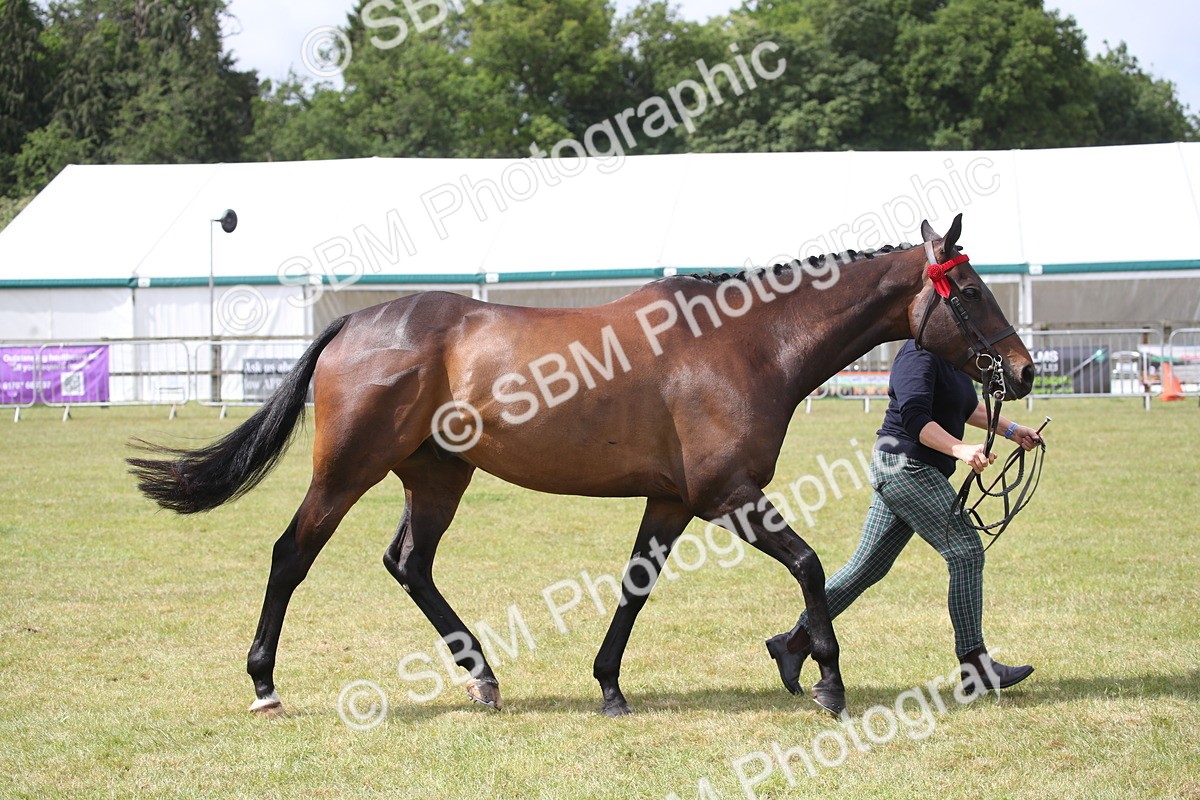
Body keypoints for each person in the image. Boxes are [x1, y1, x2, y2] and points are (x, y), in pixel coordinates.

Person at [766, 339, 1045, 701]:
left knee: (865, 569)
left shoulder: (950, 356)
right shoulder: (918, 355)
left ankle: (794, 642)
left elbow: (966, 406)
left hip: (906, 468)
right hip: (906, 467)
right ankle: (975, 664)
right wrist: (960, 449)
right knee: (966, 552)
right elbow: (916, 419)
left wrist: (1010, 429)